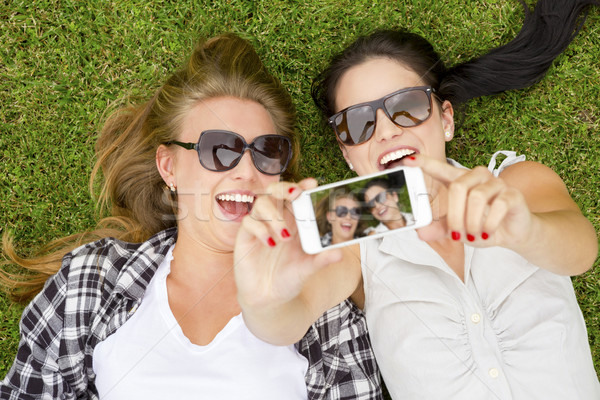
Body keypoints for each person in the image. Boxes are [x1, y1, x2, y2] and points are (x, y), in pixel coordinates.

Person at [234, 0, 600, 399]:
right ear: (348, 154)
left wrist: (527, 231)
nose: (386, 131)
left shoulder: (518, 183)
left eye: (406, 106)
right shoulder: (355, 248)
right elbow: (290, 316)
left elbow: (580, 253)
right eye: (358, 123)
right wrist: (263, 301)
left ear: (445, 119)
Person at [0, 33, 382, 399]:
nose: (247, 171)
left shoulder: (323, 307)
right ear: (168, 167)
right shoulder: (92, 281)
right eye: (219, 149)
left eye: (267, 151)